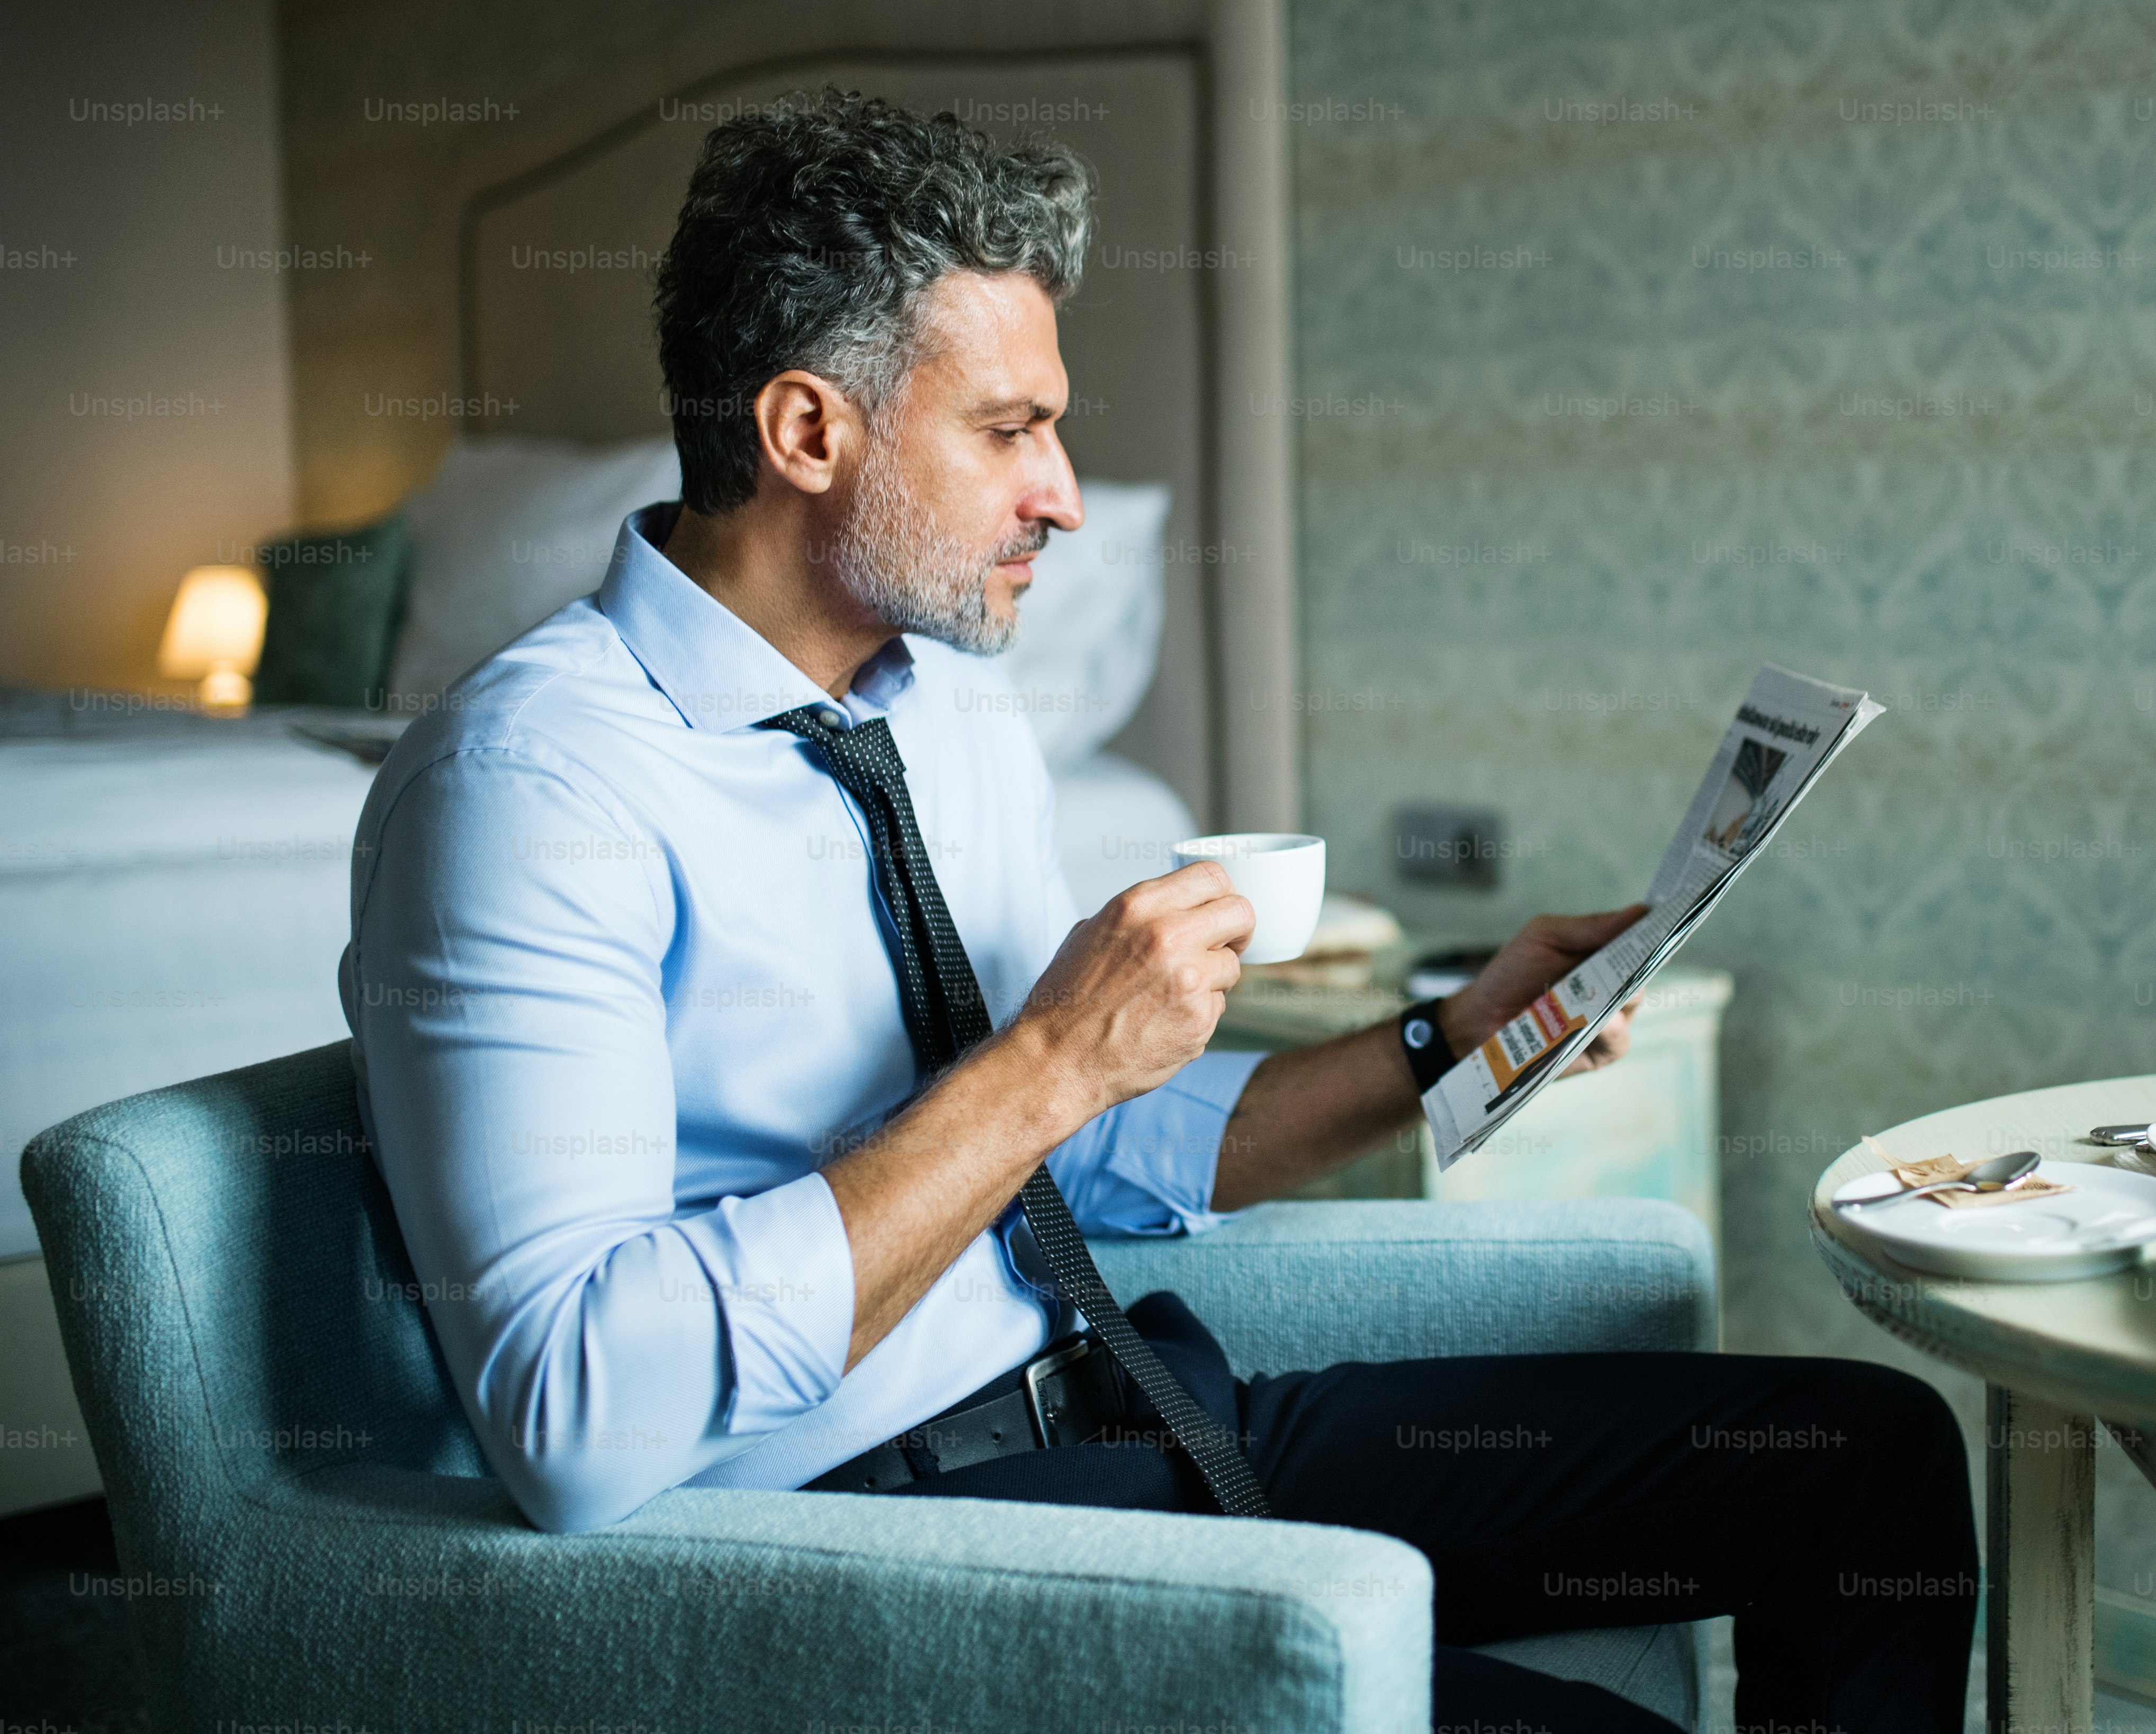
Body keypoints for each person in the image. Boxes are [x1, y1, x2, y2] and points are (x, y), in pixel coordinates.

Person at [341, 88, 1971, 1733]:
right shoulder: (530, 790)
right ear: (806, 433)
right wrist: (1047, 1059)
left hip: (1135, 1417)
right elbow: (571, 1417)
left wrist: (1440, 1042)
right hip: (880, 1541)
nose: (1059, 491)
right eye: (1007, 430)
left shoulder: (952, 709)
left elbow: (1085, 1152)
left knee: (1866, 1466)